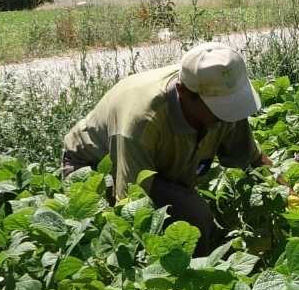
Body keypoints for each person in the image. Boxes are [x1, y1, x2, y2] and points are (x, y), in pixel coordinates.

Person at [62, 42, 269, 255]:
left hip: (158, 168)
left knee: (197, 220)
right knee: (195, 217)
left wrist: (283, 189)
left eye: (232, 104)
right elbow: (130, 206)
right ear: (183, 92)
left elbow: (252, 159)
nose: (228, 116)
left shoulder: (218, 93)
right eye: (220, 108)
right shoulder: (141, 123)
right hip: (95, 168)